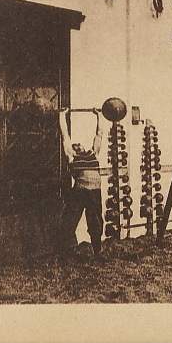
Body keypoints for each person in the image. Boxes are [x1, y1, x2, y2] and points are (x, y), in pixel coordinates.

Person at [57, 108, 104, 259]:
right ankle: (65, 253)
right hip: (80, 192)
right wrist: (62, 115)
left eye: (79, 144)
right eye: (74, 145)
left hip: (95, 191)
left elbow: (99, 134)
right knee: (70, 221)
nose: (77, 145)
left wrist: (99, 116)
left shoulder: (93, 154)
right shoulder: (72, 156)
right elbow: (65, 135)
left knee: (96, 222)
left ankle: (97, 252)